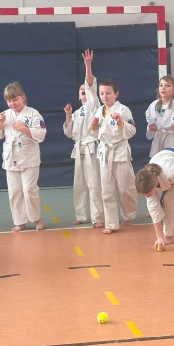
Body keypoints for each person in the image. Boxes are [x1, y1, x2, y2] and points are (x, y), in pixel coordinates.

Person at [0, 82, 46, 232]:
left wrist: (24, 129)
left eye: (15, 100)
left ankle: (36, 218)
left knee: (29, 190)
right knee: (14, 192)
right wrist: (0, 124)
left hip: (29, 157)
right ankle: (20, 221)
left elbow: (41, 134)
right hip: (11, 157)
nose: (12, 104)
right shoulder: (4, 115)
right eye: (9, 101)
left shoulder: (33, 114)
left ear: (23, 97)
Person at [89, 79, 137, 234]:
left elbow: (132, 131)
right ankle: (111, 223)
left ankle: (128, 215)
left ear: (116, 94)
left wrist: (120, 122)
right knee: (106, 190)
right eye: (102, 93)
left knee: (125, 189)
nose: (105, 96)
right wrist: (93, 126)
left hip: (120, 151)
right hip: (105, 152)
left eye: (108, 93)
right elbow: (95, 134)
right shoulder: (99, 111)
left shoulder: (123, 110)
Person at [63, 49, 104, 227]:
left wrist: (88, 65)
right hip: (79, 149)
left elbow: (90, 85)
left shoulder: (94, 105)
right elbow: (69, 133)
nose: (83, 91)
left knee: (94, 184)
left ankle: (98, 218)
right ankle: (81, 215)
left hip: (92, 148)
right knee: (79, 185)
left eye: (84, 90)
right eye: (80, 90)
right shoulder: (77, 112)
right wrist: (68, 115)